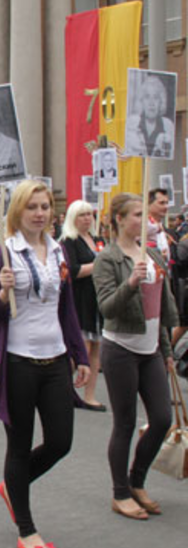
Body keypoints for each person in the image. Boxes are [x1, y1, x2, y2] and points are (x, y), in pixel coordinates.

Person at [0, 180, 91, 548]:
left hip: (56, 359)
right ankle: (27, 530)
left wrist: (81, 355)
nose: (40, 213)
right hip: (18, 363)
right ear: (18, 210)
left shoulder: (59, 251)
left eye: (45, 206)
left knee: (61, 441)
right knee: (19, 445)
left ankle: (13, 485)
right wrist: (2, 292)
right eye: (32, 207)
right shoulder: (4, 253)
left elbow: (67, 309)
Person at [93, 193, 179, 520]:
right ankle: (119, 493)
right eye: (136, 215)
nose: (143, 221)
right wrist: (130, 282)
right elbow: (107, 308)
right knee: (125, 423)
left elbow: (161, 307)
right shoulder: (108, 259)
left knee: (161, 419)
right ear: (118, 219)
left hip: (151, 349)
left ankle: (136, 480)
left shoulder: (153, 253)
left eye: (145, 215)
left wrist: (167, 350)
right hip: (121, 349)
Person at [59, 200, 107, 411]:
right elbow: (73, 270)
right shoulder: (69, 241)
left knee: (95, 348)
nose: (87, 218)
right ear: (73, 218)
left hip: (97, 298)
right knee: (81, 347)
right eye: (82, 215)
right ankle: (62, 386)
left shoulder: (98, 240)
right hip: (79, 298)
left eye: (89, 214)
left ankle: (90, 394)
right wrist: (98, 266)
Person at [126, 73, 175, 158]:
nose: (151, 103)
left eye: (155, 97)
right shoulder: (132, 125)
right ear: (142, 101)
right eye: (147, 97)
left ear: (160, 102)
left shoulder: (168, 126)